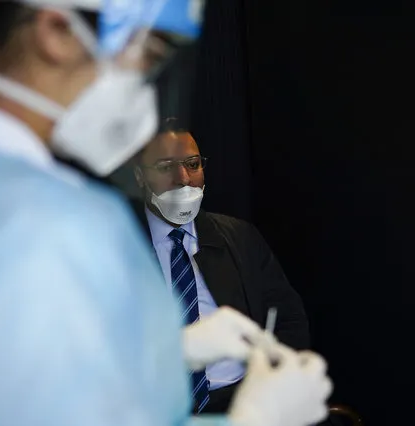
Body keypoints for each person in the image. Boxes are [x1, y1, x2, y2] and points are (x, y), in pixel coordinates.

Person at [0, 1, 332, 426]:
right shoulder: (46, 223)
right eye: (149, 56)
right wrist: (253, 421)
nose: (148, 91)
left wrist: (162, 356)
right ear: (56, 31)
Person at [131, 118, 312, 414]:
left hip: (242, 403)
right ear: (139, 176)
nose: (184, 178)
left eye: (192, 164)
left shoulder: (238, 238)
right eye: (166, 167)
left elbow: (287, 320)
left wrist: (272, 387)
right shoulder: (119, 247)